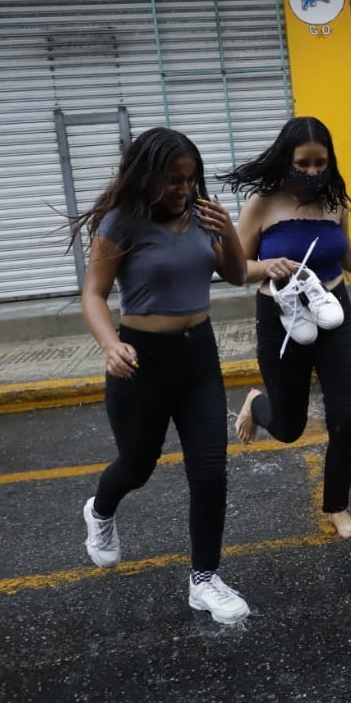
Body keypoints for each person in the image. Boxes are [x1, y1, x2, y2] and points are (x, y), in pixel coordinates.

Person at [72, 126, 251, 625]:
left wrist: (228, 231)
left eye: (190, 180)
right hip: (141, 359)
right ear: (147, 176)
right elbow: (93, 293)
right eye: (173, 180)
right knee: (137, 466)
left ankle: (205, 580)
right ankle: (100, 511)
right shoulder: (121, 222)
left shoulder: (201, 216)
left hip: (199, 357)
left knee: (210, 472)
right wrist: (110, 345)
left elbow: (235, 275)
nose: (183, 190)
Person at [221, 116, 351, 540]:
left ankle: (338, 507)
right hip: (280, 318)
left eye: (320, 163)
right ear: (286, 159)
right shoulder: (263, 203)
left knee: (346, 416)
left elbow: (348, 259)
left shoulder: (335, 203)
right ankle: (258, 403)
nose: (313, 172)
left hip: (335, 312)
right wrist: (265, 265)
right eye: (304, 163)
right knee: (289, 428)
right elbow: (235, 269)